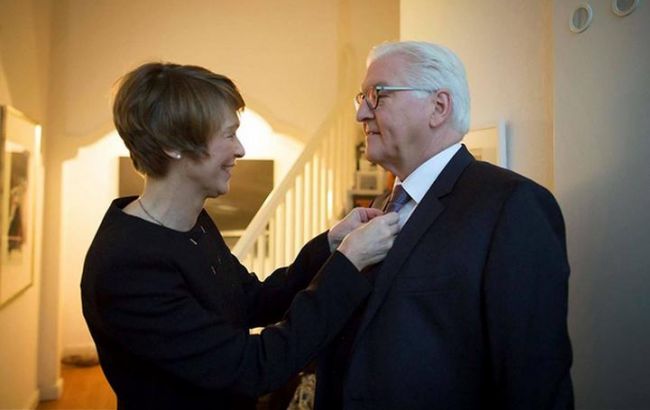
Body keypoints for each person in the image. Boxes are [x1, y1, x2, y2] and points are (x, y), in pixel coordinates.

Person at [80, 62, 401, 410]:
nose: (240, 149)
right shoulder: (128, 265)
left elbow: (250, 301)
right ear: (174, 145)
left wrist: (331, 246)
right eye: (228, 135)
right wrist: (348, 265)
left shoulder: (192, 224)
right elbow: (252, 368)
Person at [314, 41, 573, 409]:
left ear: (438, 107)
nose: (361, 114)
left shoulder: (512, 206)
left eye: (377, 95)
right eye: (362, 97)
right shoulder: (378, 208)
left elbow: (533, 377)